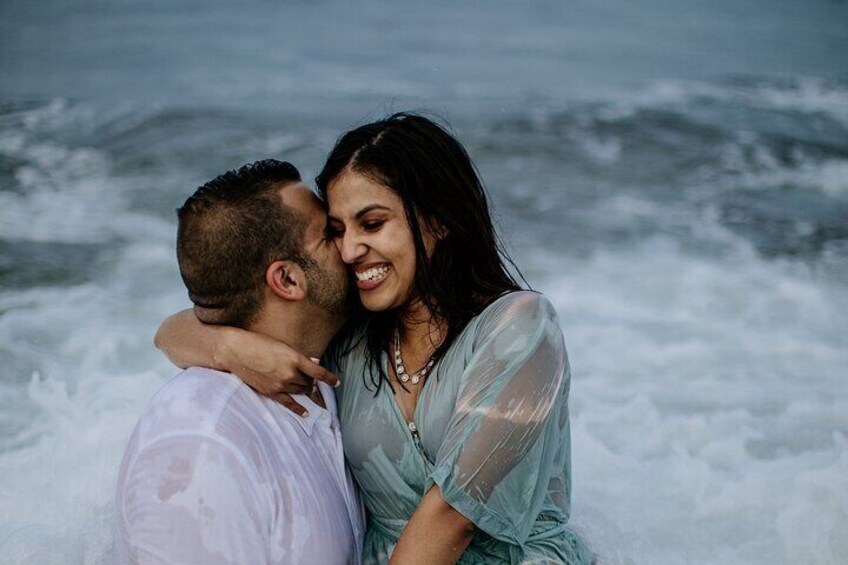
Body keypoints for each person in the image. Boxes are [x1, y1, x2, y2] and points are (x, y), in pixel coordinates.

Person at [156, 114, 592, 564]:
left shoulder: (520, 326)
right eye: (338, 230)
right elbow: (173, 330)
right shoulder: (352, 340)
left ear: (438, 218)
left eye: (372, 223)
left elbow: (452, 518)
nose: (348, 250)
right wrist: (235, 349)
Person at [117, 160, 364, 565]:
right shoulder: (202, 449)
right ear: (286, 280)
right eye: (330, 234)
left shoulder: (323, 363)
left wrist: (223, 345)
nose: (350, 248)